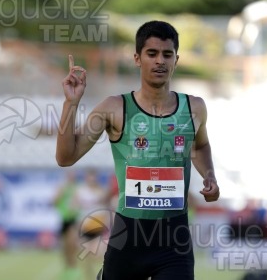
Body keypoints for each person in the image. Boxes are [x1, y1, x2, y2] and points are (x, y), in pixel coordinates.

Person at [56, 20, 220, 280]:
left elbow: (199, 146)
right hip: (128, 238)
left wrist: (209, 175)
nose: (160, 61)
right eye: (151, 53)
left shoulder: (194, 108)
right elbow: (66, 157)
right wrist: (70, 103)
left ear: (176, 60)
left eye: (167, 54)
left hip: (174, 241)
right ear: (137, 58)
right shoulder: (114, 108)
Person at [53, 170, 81, 280]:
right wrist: (59, 196)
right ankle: (67, 269)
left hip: (73, 219)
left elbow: (79, 202)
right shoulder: (62, 188)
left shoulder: (77, 188)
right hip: (64, 219)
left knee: (72, 245)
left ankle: (73, 269)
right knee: (64, 247)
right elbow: (55, 202)